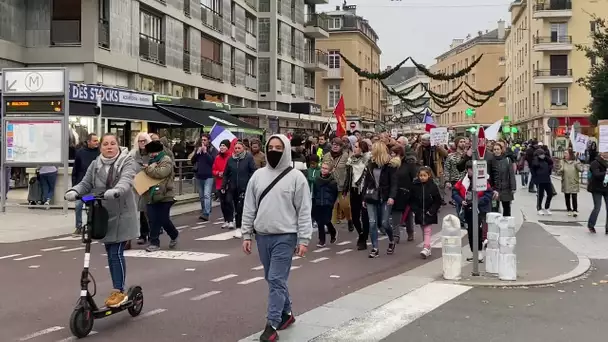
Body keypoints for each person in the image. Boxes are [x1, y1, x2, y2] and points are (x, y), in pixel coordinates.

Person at [240, 134, 312, 342]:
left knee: (276, 279)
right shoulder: (258, 176)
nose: (273, 150)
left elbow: (304, 210)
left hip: (285, 237)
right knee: (273, 280)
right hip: (263, 236)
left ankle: (271, 325)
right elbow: (249, 206)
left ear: (286, 149)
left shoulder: (297, 178)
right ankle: (286, 314)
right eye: (270, 146)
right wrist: (247, 234)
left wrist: (304, 239)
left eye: (278, 147)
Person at [64, 133, 139, 307]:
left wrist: (117, 190)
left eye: (113, 143)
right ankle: (117, 288)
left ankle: (119, 291)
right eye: (105, 144)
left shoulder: (126, 161)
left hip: (122, 214)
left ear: (118, 145)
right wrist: (74, 191)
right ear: (100, 147)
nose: (109, 147)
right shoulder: (95, 164)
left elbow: (127, 180)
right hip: (104, 215)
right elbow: (85, 183)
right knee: (110, 252)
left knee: (115, 253)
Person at [362, 142, 400, 258]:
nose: (371, 151)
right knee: (372, 222)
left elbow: (394, 183)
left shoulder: (390, 165)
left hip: (385, 196)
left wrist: (391, 197)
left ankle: (391, 240)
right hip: (371, 195)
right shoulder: (370, 164)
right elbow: (367, 182)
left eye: (373, 149)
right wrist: (364, 197)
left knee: (384, 222)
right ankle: (375, 248)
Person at [142, 140, 180, 252]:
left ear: (156, 151)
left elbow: (161, 173)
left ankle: (174, 234)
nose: (150, 155)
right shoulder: (152, 161)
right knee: (153, 219)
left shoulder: (166, 160)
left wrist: (148, 168)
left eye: (151, 152)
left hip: (165, 194)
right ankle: (154, 242)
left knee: (163, 219)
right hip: (152, 194)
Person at [453, 161, 493, 262]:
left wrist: (477, 202)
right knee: (470, 231)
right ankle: (473, 252)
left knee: (479, 231)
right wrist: (461, 201)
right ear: (467, 170)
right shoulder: (463, 181)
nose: (472, 172)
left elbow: (488, 194)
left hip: (480, 209)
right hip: (468, 209)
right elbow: (455, 192)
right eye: (470, 169)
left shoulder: (482, 180)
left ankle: (479, 253)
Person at [223, 141, 257, 238]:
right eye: (236, 148)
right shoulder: (230, 160)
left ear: (243, 149)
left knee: (240, 207)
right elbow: (226, 173)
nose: (237, 150)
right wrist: (224, 185)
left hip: (244, 187)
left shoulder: (248, 158)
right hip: (232, 187)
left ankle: (239, 228)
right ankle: (233, 222)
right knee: (229, 202)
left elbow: (253, 171)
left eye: (239, 148)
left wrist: (250, 184)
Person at [410, 166, 442, 259]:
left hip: (429, 211)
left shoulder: (432, 186)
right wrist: (415, 210)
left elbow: (437, 200)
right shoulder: (415, 186)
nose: (422, 177)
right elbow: (411, 200)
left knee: (427, 230)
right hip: (419, 212)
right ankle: (428, 247)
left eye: (424, 175)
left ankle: (426, 247)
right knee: (423, 229)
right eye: (421, 175)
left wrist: (432, 211)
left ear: (429, 175)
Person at [71, 133, 100, 236]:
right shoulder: (80, 153)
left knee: (91, 206)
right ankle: (78, 226)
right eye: (95, 141)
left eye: (97, 141)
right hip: (81, 185)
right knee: (78, 205)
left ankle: (89, 226)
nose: (97, 143)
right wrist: (74, 186)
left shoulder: (100, 153)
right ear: (88, 142)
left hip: (94, 187)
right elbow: (76, 169)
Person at [345, 139, 371, 250]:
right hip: (354, 190)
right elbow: (348, 176)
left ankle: (363, 239)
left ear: (362, 148)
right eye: (354, 146)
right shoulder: (351, 160)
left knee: (365, 216)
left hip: (364, 191)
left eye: (356, 147)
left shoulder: (368, 160)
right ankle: (361, 234)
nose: (354, 148)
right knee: (355, 216)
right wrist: (346, 188)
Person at [323, 138, 353, 229]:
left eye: (338, 145)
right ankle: (330, 226)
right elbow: (323, 169)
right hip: (330, 184)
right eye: (333, 144)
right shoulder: (326, 156)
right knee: (331, 206)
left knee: (345, 205)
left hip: (342, 185)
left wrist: (349, 183)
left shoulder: (346, 156)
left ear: (341, 147)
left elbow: (350, 171)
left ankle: (349, 220)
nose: (335, 146)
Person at [390, 146, 418, 242]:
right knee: (395, 214)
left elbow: (414, 178)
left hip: (406, 192)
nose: (392, 155)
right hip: (394, 192)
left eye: (394, 153)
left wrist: (413, 191)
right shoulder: (391, 165)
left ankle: (410, 232)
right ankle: (396, 235)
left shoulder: (409, 164)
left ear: (400, 154)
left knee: (408, 214)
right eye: (391, 153)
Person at [129, 132, 152, 244]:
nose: (142, 143)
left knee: (150, 211)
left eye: (144, 141)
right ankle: (143, 235)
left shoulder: (153, 154)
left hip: (151, 185)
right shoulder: (133, 155)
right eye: (140, 141)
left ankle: (153, 234)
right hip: (138, 185)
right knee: (142, 210)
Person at [312, 162, 339, 247]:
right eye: (322, 168)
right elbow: (315, 191)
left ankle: (333, 231)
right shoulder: (317, 180)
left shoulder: (333, 182)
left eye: (326, 168)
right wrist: (315, 201)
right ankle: (321, 240)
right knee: (320, 221)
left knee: (326, 220)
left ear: (330, 171)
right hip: (318, 203)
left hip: (328, 204)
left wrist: (331, 203)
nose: (323, 170)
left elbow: (335, 194)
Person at [192, 134, 217, 221]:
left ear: (209, 140)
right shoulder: (198, 149)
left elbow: (212, 162)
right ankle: (204, 210)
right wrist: (197, 153)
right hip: (199, 175)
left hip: (209, 176)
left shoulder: (212, 150)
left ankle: (206, 213)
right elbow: (192, 161)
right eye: (202, 140)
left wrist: (206, 152)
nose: (203, 141)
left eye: (205, 140)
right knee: (201, 196)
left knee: (207, 195)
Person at [488, 143, 516, 216]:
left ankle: (506, 225)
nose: (496, 151)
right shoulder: (490, 160)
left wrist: (513, 187)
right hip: (494, 189)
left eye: (498, 149)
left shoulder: (507, 160)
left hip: (506, 188)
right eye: (494, 149)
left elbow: (511, 174)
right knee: (494, 208)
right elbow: (489, 175)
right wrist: (490, 188)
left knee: (506, 208)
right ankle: (495, 225)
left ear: (501, 150)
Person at [212, 140, 233, 229]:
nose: (222, 147)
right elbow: (213, 170)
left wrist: (226, 174)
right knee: (223, 203)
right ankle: (226, 220)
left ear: (228, 147)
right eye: (221, 145)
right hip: (219, 183)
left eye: (224, 145)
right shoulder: (217, 158)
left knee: (229, 201)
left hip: (229, 183)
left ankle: (231, 220)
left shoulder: (231, 157)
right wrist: (218, 173)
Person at [587, 152, 608, 234]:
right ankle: (591, 225)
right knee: (597, 207)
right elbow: (596, 174)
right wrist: (605, 173)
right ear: (602, 156)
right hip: (597, 188)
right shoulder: (595, 163)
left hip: (607, 188)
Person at [557, 149, 582, 217]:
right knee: (567, 196)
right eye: (564, 153)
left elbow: (581, 170)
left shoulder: (575, 161)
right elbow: (558, 172)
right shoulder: (562, 161)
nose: (565, 155)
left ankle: (575, 210)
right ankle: (568, 209)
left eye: (566, 153)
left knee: (574, 196)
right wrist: (560, 170)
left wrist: (577, 164)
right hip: (566, 181)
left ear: (570, 154)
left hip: (574, 181)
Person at [531, 147, 554, 215]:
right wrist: (535, 179)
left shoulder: (546, 160)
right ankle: (539, 208)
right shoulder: (535, 161)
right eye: (541, 154)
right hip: (539, 180)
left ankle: (547, 207)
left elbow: (551, 163)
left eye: (543, 154)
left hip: (547, 179)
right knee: (540, 195)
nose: (542, 155)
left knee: (550, 193)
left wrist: (549, 170)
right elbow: (533, 171)